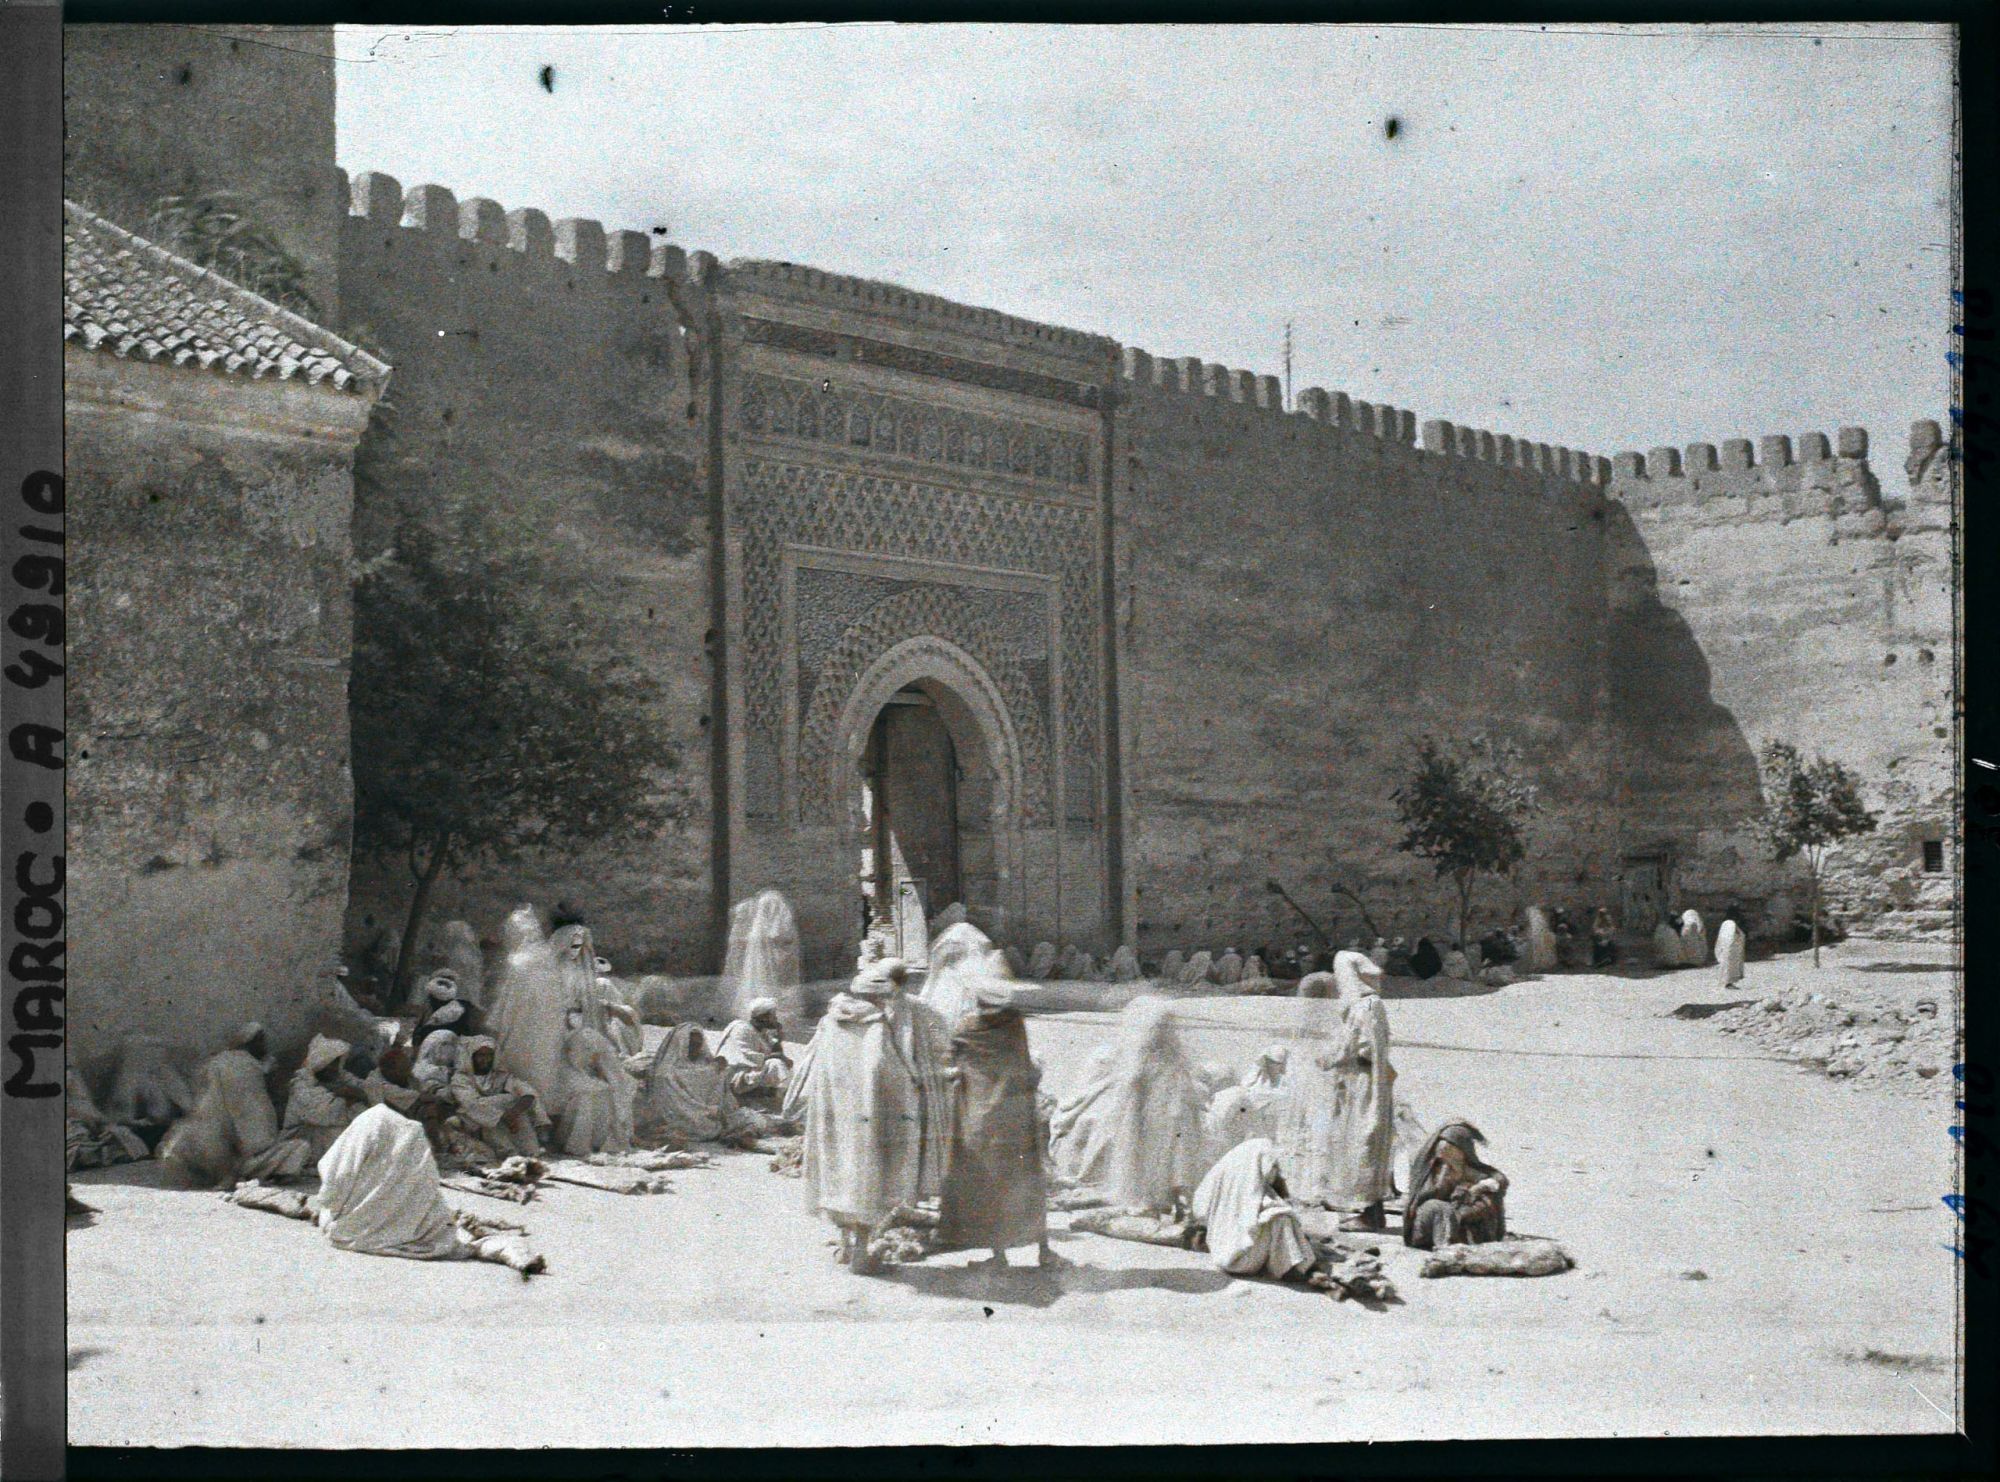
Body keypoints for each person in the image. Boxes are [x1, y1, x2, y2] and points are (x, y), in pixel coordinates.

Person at [310, 1105, 543, 1274]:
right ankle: (517, 1256)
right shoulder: (411, 1140)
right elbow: (429, 1195)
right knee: (453, 1233)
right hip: (401, 1230)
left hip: (348, 1231)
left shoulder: (368, 1135)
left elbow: (333, 1186)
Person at [801, 958, 926, 1271]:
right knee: (867, 1177)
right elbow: (884, 1068)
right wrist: (914, 1081)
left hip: (833, 1112)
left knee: (837, 1172)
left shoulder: (830, 1021)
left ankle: (845, 1247)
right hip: (866, 1113)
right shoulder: (875, 1025)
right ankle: (860, 1254)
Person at [1049, 996, 1206, 1216]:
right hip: (1142, 1129)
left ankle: (1159, 1196)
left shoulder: (1169, 1064)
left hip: (1158, 1130)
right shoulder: (1130, 1059)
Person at [937, 976, 1054, 1268]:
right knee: (1026, 1179)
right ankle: (1043, 1249)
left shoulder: (967, 1026)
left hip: (979, 1119)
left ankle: (999, 1254)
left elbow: (947, 1062)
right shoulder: (1015, 1023)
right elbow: (1025, 1065)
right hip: (1017, 1115)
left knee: (988, 1182)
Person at [1274, 952, 1396, 1229]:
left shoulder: (1366, 1006)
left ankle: (1370, 1212)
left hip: (1363, 1083)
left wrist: (1333, 1059)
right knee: (1361, 1140)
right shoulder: (1367, 1005)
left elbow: (1364, 1048)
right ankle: (1366, 1207)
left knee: (1364, 1140)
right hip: (1360, 1081)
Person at [157, 1022, 282, 1189]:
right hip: (223, 1149)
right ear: (250, 1042)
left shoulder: (216, 1061)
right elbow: (253, 1118)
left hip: (191, 1143)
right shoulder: (246, 1065)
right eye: (260, 1041)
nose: (264, 1046)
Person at [241, 1035, 372, 1181]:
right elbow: (325, 1113)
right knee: (338, 1131)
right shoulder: (301, 1086)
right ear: (320, 1064)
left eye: (336, 1063)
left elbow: (366, 1091)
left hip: (320, 1140)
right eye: (330, 1064)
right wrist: (351, 1098)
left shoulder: (339, 1078)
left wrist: (355, 1095)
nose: (333, 1068)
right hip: (303, 1138)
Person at [1189, 1138, 1318, 1282]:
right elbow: (1269, 1205)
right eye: (1274, 1166)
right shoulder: (1254, 1192)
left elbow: (1200, 1209)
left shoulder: (1227, 1178)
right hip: (1240, 1260)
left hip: (1220, 1251)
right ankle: (1290, 1268)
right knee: (1281, 1217)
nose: (1276, 1170)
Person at [631, 1022, 764, 1146]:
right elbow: (680, 1100)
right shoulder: (665, 1073)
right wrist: (710, 1109)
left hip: (706, 1117)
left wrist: (718, 1069)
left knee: (751, 1117)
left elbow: (708, 1079)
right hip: (683, 1119)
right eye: (691, 1045)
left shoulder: (703, 1065)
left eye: (698, 1045)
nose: (695, 1049)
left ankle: (742, 1134)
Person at [887, 959, 954, 1201]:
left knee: (919, 1133)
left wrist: (935, 1063)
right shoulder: (884, 1009)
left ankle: (916, 1190)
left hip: (918, 1077)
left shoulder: (918, 1008)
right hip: (898, 1079)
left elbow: (941, 1035)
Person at [444, 1034, 549, 1166]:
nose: (485, 1060)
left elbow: (528, 1093)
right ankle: (508, 1153)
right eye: (481, 1055)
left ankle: (530, 1150)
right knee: (496, 1107)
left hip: (506, 1118)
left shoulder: (501, 1076)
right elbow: (472, 1104)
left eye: (489, 1055)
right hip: (475, 1121)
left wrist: (513, 1113)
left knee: (514, 1103)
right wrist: (504, 1115)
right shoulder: (461, 1078)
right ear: (472, 1056)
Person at [1403, 1119, 1508, 1250]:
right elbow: (1419, 1202)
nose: (1445, 1156)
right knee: (1438, 1207)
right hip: (1431, 1225)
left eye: (1451, 1151)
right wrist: (1442, 1185)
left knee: (1486, 1199)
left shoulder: (1472, 1171)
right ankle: (1445, 1246)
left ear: (1463, 1151)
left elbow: (1499, 1181)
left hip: (1463, 1223)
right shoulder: (1432, 1172)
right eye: (1442, 1152)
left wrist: (1477, 1189)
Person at [550, 1006, 636, 1156]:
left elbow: (598, 1065)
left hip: (583, 1076)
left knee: (605, 1091)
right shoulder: (572, 1039)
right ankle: (579, 1141)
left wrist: (599, 1074)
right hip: (568, 1078)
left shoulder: (587, 1036)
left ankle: (597, 1139)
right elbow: (576, 1064)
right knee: (592, 1093)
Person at [721, 889, 802, 1021]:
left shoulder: (763, 929)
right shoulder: (763, 930)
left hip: (770, 967)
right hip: (763, 967)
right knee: (765, 986)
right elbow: (777, 935)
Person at [103, 1036, 194, 1152]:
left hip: (168, 1128)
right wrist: (138, 1123)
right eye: (151, 1050)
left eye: (157, 1050)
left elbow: (188, 1107)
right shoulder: (129, 1079)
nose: (157, 1054)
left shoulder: (169, 1077)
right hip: (143, 1130)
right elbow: (118, 1115)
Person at [713, 998, 793, 1108]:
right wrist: (777, 1056)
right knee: (776, 1064)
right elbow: (744, 1056)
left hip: (752, 1072)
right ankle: (782, 1101)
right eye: (773, 1015)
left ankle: (779, 1100)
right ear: (764, 1017)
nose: (776, 1018)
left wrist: (778, 1038)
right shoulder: (741, 1029)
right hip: (736, 1074)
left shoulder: (763, 1033)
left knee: (779, 1063)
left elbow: (777, 1053)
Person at [66, 1067, 148, 1171]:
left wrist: (101, 1123)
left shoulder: (79, 1098)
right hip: (73, 1129)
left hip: (90, 1126)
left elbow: (93, 1114)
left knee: (118, 1132)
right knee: (79, 1136)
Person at [1715, 916, 1747, 988]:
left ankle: (1727, 982)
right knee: (1729, 968)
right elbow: (1741, 936)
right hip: (1731, 952)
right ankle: (1728, 983)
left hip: (1729, 951)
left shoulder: (1726, 927)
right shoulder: (1731, 926)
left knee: (1727, 967)